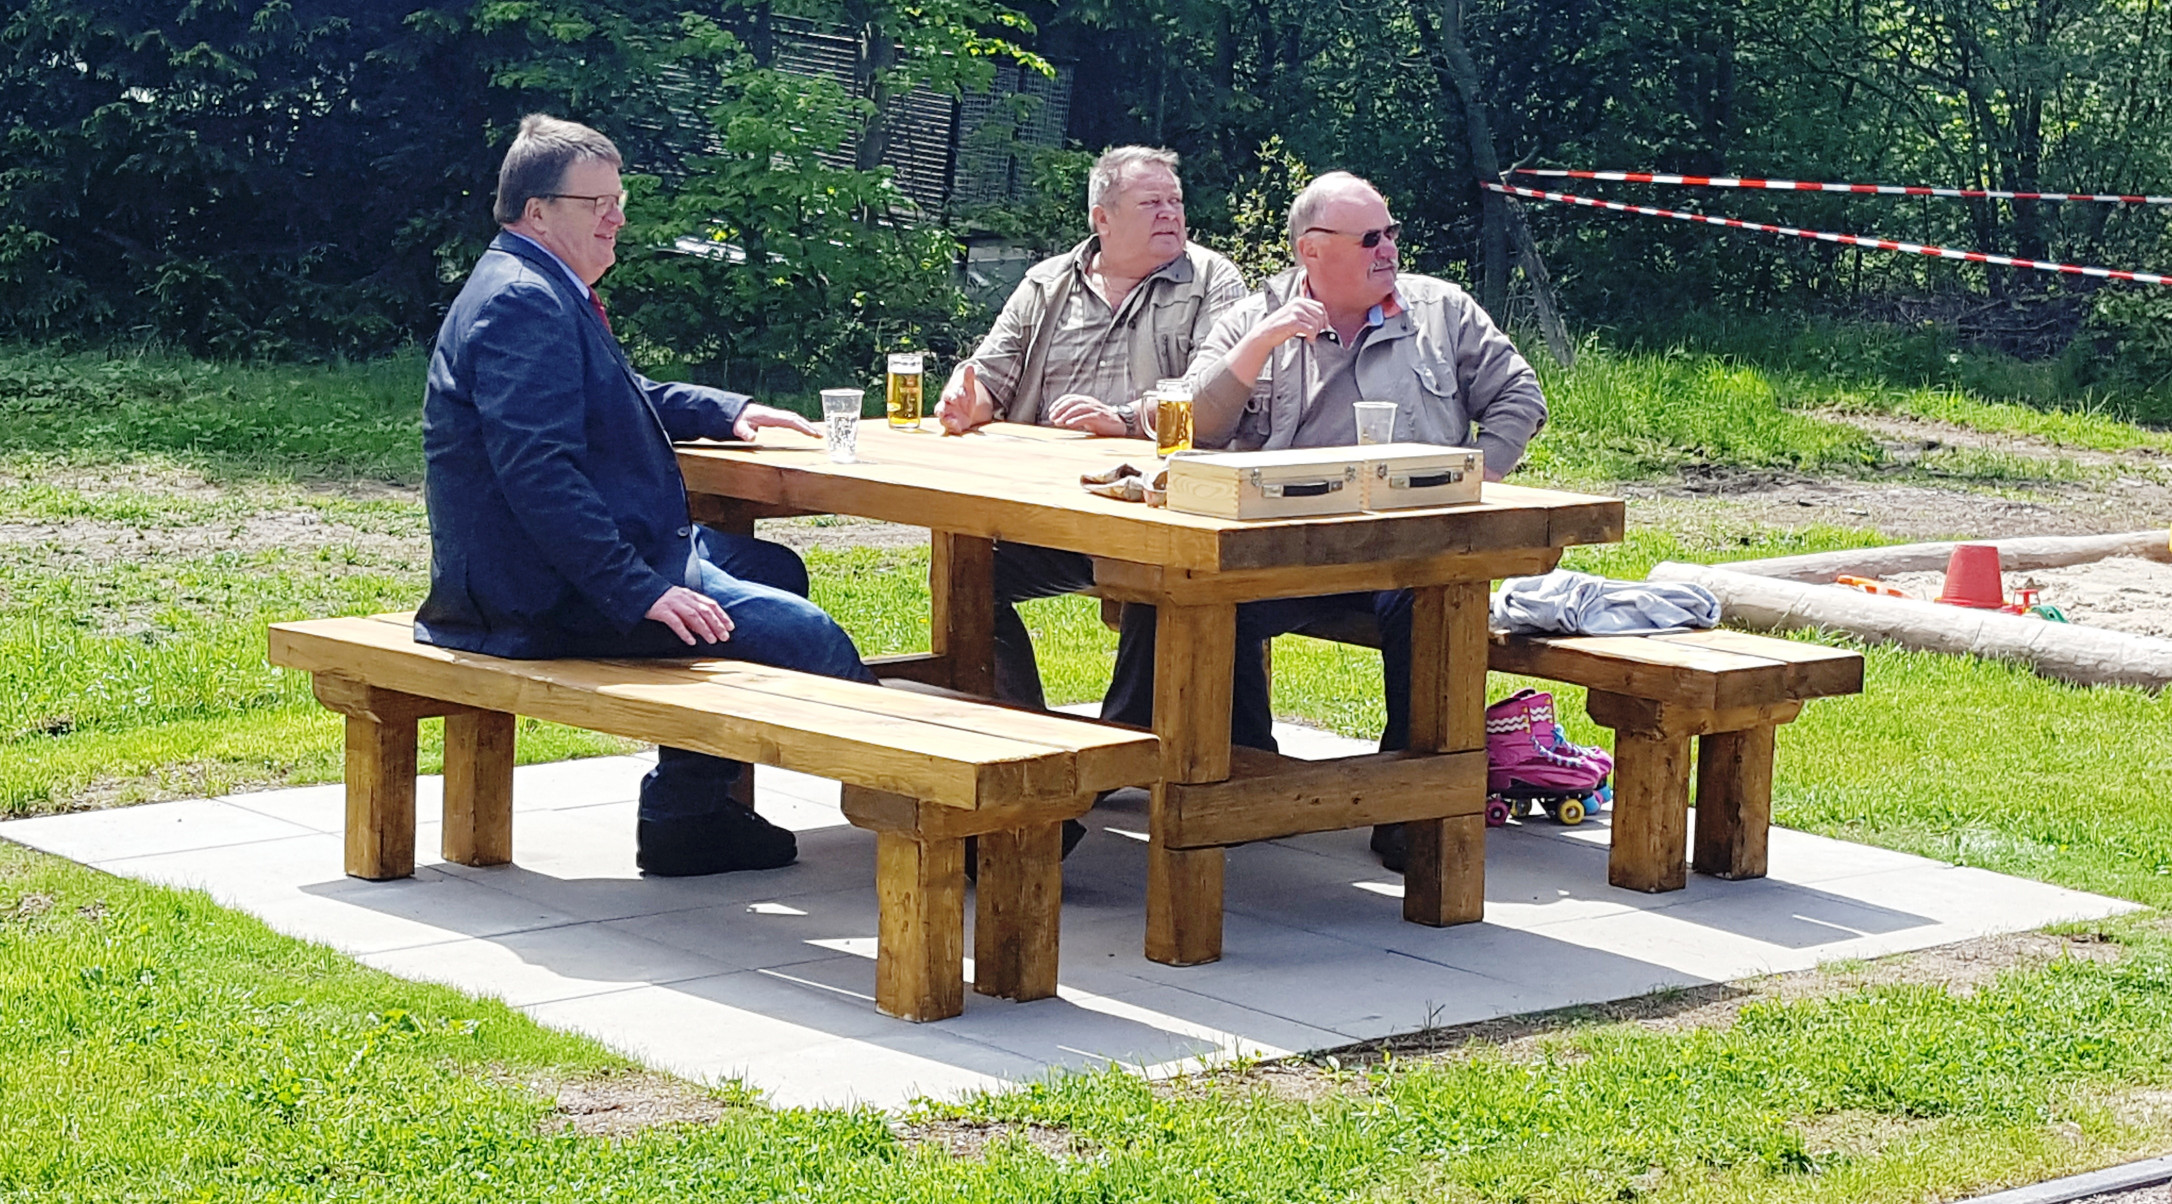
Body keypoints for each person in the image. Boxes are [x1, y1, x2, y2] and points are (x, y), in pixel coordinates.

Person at [415, 113, 878, 877]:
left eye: (618, 200)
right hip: (533, 602)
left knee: (772, 568)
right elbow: (540, 474)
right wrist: (642, 590)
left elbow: (617, 394)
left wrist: (728, 411)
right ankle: (950, 822)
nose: (617, 219)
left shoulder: (535, 285)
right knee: (810, 638)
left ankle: (685, 817)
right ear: (537, 211)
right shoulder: (522, 303)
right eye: (597, 204)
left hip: (553, 576)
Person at [1098, 171, 1550, 871]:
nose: (1388, 249)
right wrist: (1259, 345)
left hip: (1408, 549)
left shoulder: (1441, 312)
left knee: (1435, 603)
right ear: (1312, 249)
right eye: (1370, 238)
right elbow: (1189, 423)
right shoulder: (1256, 315)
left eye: (1391, 233)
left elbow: (1520, 397)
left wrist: (1476, 475)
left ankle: (1413, 808)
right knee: (1178, 589)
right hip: (1288, 551)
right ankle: (1231, 771)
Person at [933, 146, 1247, 712]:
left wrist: (1124, 420)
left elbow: (1209, 392)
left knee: (1168, 574)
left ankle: (1123, 740)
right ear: (1102, 217)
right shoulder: (1046, 283)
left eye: (1175, 202)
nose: (1170, 214)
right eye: (1151, 203)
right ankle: (1024, 736)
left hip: (1153, 507)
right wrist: (965, 400)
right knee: (968, 576)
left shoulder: (1212, 281)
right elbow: (990, 379)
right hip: (1050, 506)